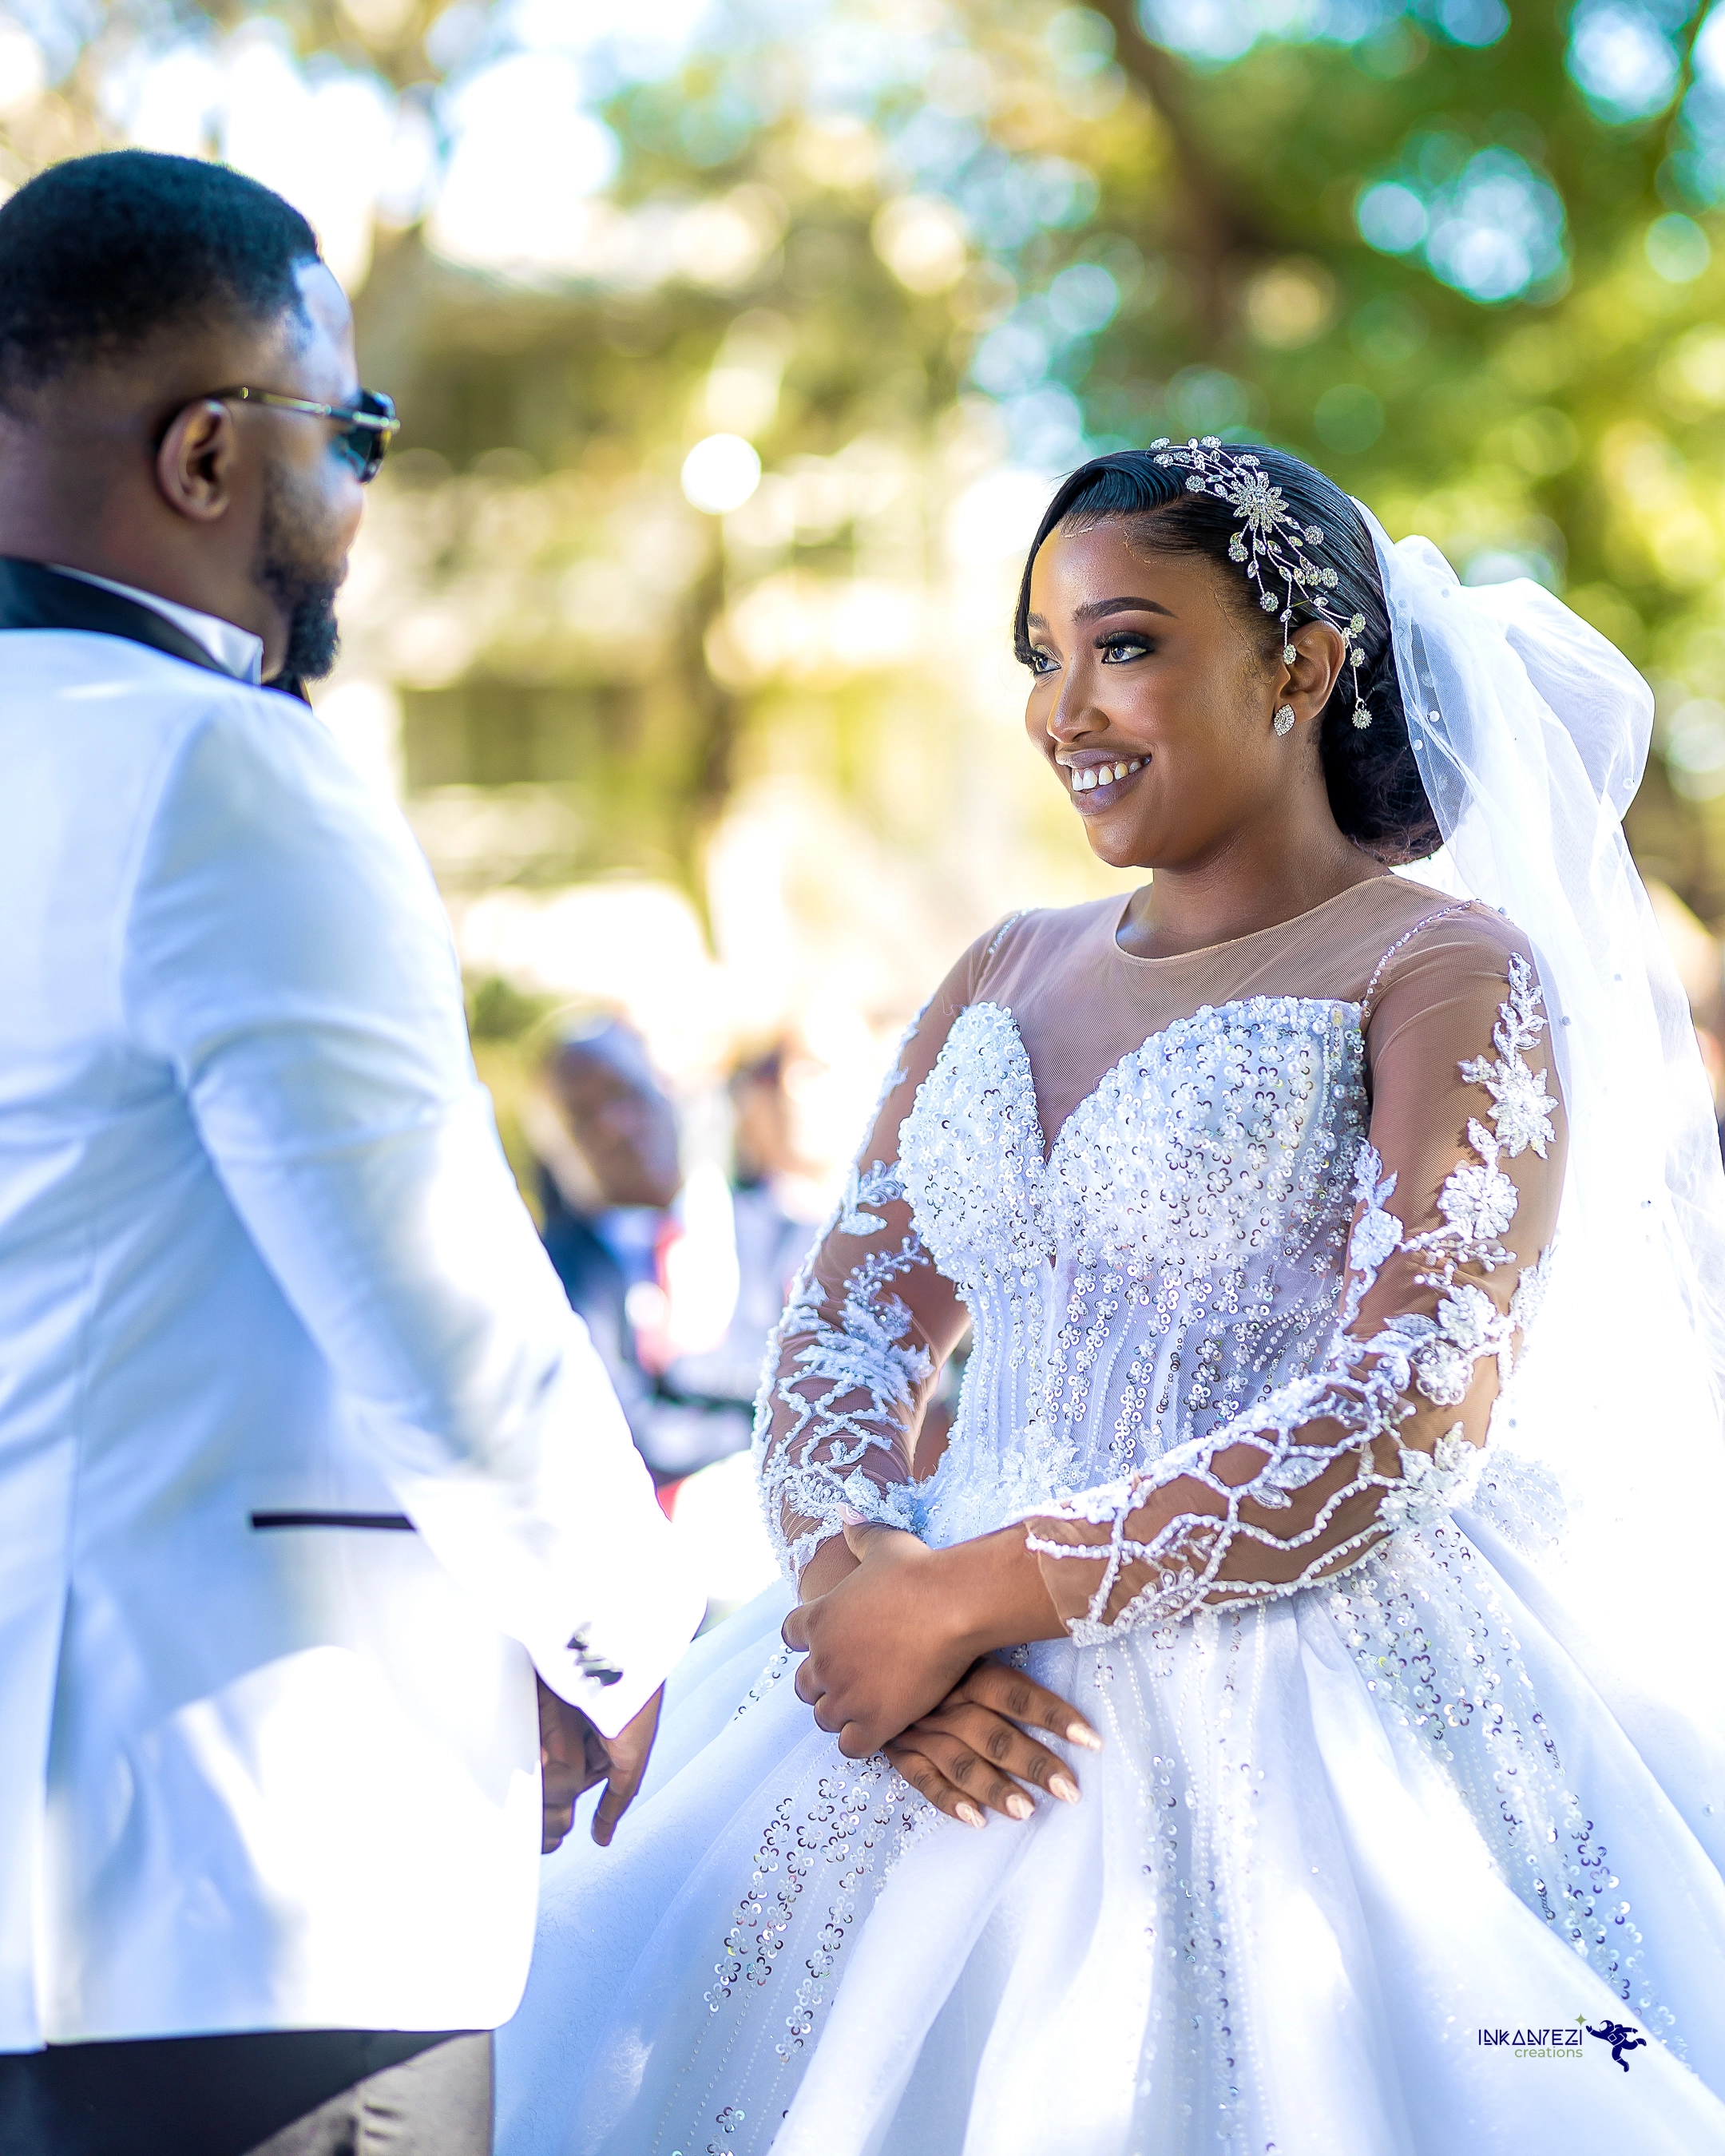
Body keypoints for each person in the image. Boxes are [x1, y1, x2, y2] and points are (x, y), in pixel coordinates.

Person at [498, 441, 1725, 2154]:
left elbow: (1414, 1404)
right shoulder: (1005, 965)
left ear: (1301, 663)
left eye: (1125, 644)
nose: (1064, 706)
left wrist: (969, 1596)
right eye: (1043, 656)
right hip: (920, 1683)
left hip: (1304, 1687)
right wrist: (862, 1580)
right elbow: (852, 1324)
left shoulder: (1440, 966)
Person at [0, 152, 703, 2155]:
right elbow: (437, 1306)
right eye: (356, 429)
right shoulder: (220, 770)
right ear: (212, 453)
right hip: (244, 1874)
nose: (365, 493)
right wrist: (623, 1640)